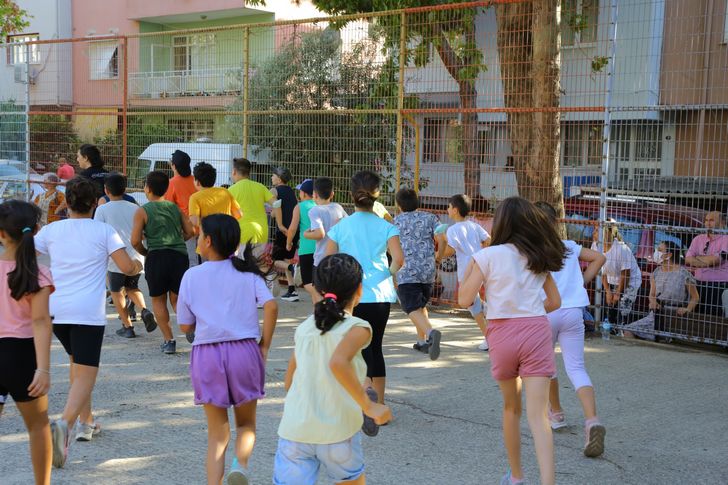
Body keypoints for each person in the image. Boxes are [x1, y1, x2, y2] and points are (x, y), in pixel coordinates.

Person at [34, 176, 142, 468]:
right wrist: (136, 265)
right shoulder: (103, 231)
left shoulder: (51, 231)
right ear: (96, 202)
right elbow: (125, 266)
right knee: (86, 374)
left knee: (76, 364)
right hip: (87, 313)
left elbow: (26, 254)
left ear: (67, 202)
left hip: (57, 311)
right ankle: (65, 424)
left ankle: (87, 421)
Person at [458, 196, 565, 485]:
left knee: (511, 408)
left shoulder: (487, 256)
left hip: (501, 332)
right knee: (539, 416)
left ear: (500, 223)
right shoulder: (537, 256)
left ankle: (516, 476)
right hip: (536, 331)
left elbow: (464, 299)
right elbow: (554, 301)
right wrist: (528, 312)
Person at [176, 214, 278, 485]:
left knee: (217, 433)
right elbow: (271, 305)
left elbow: (185, 326)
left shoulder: (191, 276)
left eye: (200, 235)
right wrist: (264, 345)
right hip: (245, 351)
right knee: (246, 424)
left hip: (207, 355)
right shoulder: (247, 274)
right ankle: (240, 465)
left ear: (208, 241)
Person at [274, 254, 392, 484]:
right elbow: (338, 362)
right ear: (359, 290)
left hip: (295, 431)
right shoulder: (358, 327)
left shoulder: (305, 328)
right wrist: (368, 406)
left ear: (317, 289)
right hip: (339, 434)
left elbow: (290, 383)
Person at [326, 170, 404, 434]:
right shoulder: (386, 226)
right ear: (378, 195)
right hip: (380, 295)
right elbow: (399, 260)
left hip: (351, 295)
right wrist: (386, 276)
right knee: (376, 347)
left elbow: (328, 260)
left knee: (354, 350)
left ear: (351, 194)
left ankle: (360, 396)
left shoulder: (341, 227)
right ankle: (379, 406)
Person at [535, 201, 607, 458]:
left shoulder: (531, 250)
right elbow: (600, 257)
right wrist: (583, 282)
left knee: (547, 366)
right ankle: (592, 421)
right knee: (576, 368)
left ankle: (556, 413)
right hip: (574, 311)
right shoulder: (568, 246)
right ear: (556, 223)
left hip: (546, 311)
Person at [0, 200, 54, 485]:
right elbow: (41, 322)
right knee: (37, 425)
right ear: (35, 231)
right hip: (21, 356)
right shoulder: (37, 274)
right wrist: (43, 369)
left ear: (0, 234)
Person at [131, 171, 195, 354]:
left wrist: (146, 252)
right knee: (177, 299)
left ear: (148, 189)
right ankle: (190, 329)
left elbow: (135, 241)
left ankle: (169, 341)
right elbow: (191, 231)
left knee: (158, 300)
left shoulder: (142, 211)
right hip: (178, 256)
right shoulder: (175, 208)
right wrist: (178, 241)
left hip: (156, 257)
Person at [94, 173, 156, 339]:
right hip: (136, 255)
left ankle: (127, 327)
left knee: (116, 291)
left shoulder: (102, 209)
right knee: (132, 287)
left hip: (115, 259)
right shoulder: (135, 208)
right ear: (125, 189)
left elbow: (98, 235)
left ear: (106, 190)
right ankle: (144, 310)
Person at [393, 188, 443, 360]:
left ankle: (430, 333)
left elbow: (391, 246)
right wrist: (439, 256)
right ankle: (421, 342)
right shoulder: (430, 217)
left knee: (410, 307)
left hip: (407, 271)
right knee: (421, 306)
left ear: (399, 205)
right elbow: (442, 237)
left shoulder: (396, 221)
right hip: (428, 269)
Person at [437, 194, 491, 350]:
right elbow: (488, 239)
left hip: (466, 272)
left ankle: (489, 338)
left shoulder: (453, 229)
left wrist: (439, 252)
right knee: (473, 303)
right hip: (481, 266)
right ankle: (488, 309)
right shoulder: (474, 225)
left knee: (472, 305)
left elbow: (450, 251)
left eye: (448, 207)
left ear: (455, 210)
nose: (447, 209)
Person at [304, 177, 347, 305]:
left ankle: (320, 319)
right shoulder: (338, 207)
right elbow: (346, 223)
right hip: (338, 258)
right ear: (332, 194)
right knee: (336, 293)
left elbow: (319, 233)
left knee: (318, 293)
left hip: (321, 259)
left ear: (314, 195)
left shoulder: (314, 210)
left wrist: (306, 234)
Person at [644, 241, 700, 334]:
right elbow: (652, 294)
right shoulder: (656, 272)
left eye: (659, 250)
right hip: (657, 314)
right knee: (629, 331)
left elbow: (695, 297)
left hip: (677, 317)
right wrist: (653, 302)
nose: (656, 252)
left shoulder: (683, 274)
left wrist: (688, 309)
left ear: (669, 255)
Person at [228, 157, 278, 259]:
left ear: (234, 171)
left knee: (242, 268)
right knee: (257, 267)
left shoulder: (231, 190)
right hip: (261, 233)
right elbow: (277, 204)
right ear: (249, 172)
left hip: (242, 235)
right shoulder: (260, 187)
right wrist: (279, 222)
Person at [684, 211, 728, 316]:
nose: (708, 223)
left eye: (712, 220)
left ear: (722, 223)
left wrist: (698, 258)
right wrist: (707, 260)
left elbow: (717, 260)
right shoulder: (698, 239)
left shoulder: (726, 239)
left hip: (718, 287)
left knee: (715, 320)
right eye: (706, 220)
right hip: (698, 285)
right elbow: (688, 259)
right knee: (696, 318)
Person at [601, 220, 642, 325]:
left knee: (622, 312)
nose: (594, 233)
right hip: (612, 279)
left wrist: (618, 294)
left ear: (608, 233)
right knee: (609, 309)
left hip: (630, 282)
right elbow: (602, 273)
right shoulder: (596, 246)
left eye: (598, 230)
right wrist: (608, 292)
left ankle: (623, 330)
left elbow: (626, 275)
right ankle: (611, 329)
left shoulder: (622, 249)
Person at [164, 150, 198, 268]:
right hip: (203, 225)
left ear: (174, 166)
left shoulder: (171, 184)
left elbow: (168, 208)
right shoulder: (196, 180)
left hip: (186, 228)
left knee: (191, 261)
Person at [270, 166, 300, 302]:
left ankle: (291, 267)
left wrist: (281, 225)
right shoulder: (292, 192)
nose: (271, 177)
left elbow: (276, 206)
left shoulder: (274, 190)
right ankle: (292, 290)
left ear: (279, 178)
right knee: (287, 258)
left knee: (274, 260)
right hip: (295, 229)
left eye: (273, 175)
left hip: (283, 230)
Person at [286, 179, 317, 303]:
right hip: (322, 248)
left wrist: (289, 242)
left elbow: (292, 228)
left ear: (303, 193)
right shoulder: (320, 205)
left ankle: (323, 299)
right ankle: (318, 311)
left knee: (308, 283)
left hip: (306, 248)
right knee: (318, 281)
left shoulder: (299, 207)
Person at [188, 162, 242, 233]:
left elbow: (194, 221)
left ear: (197, 182)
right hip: (226, 235)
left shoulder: (195, 198)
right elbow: (239, 214)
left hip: (207, 237)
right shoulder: (225, 192)